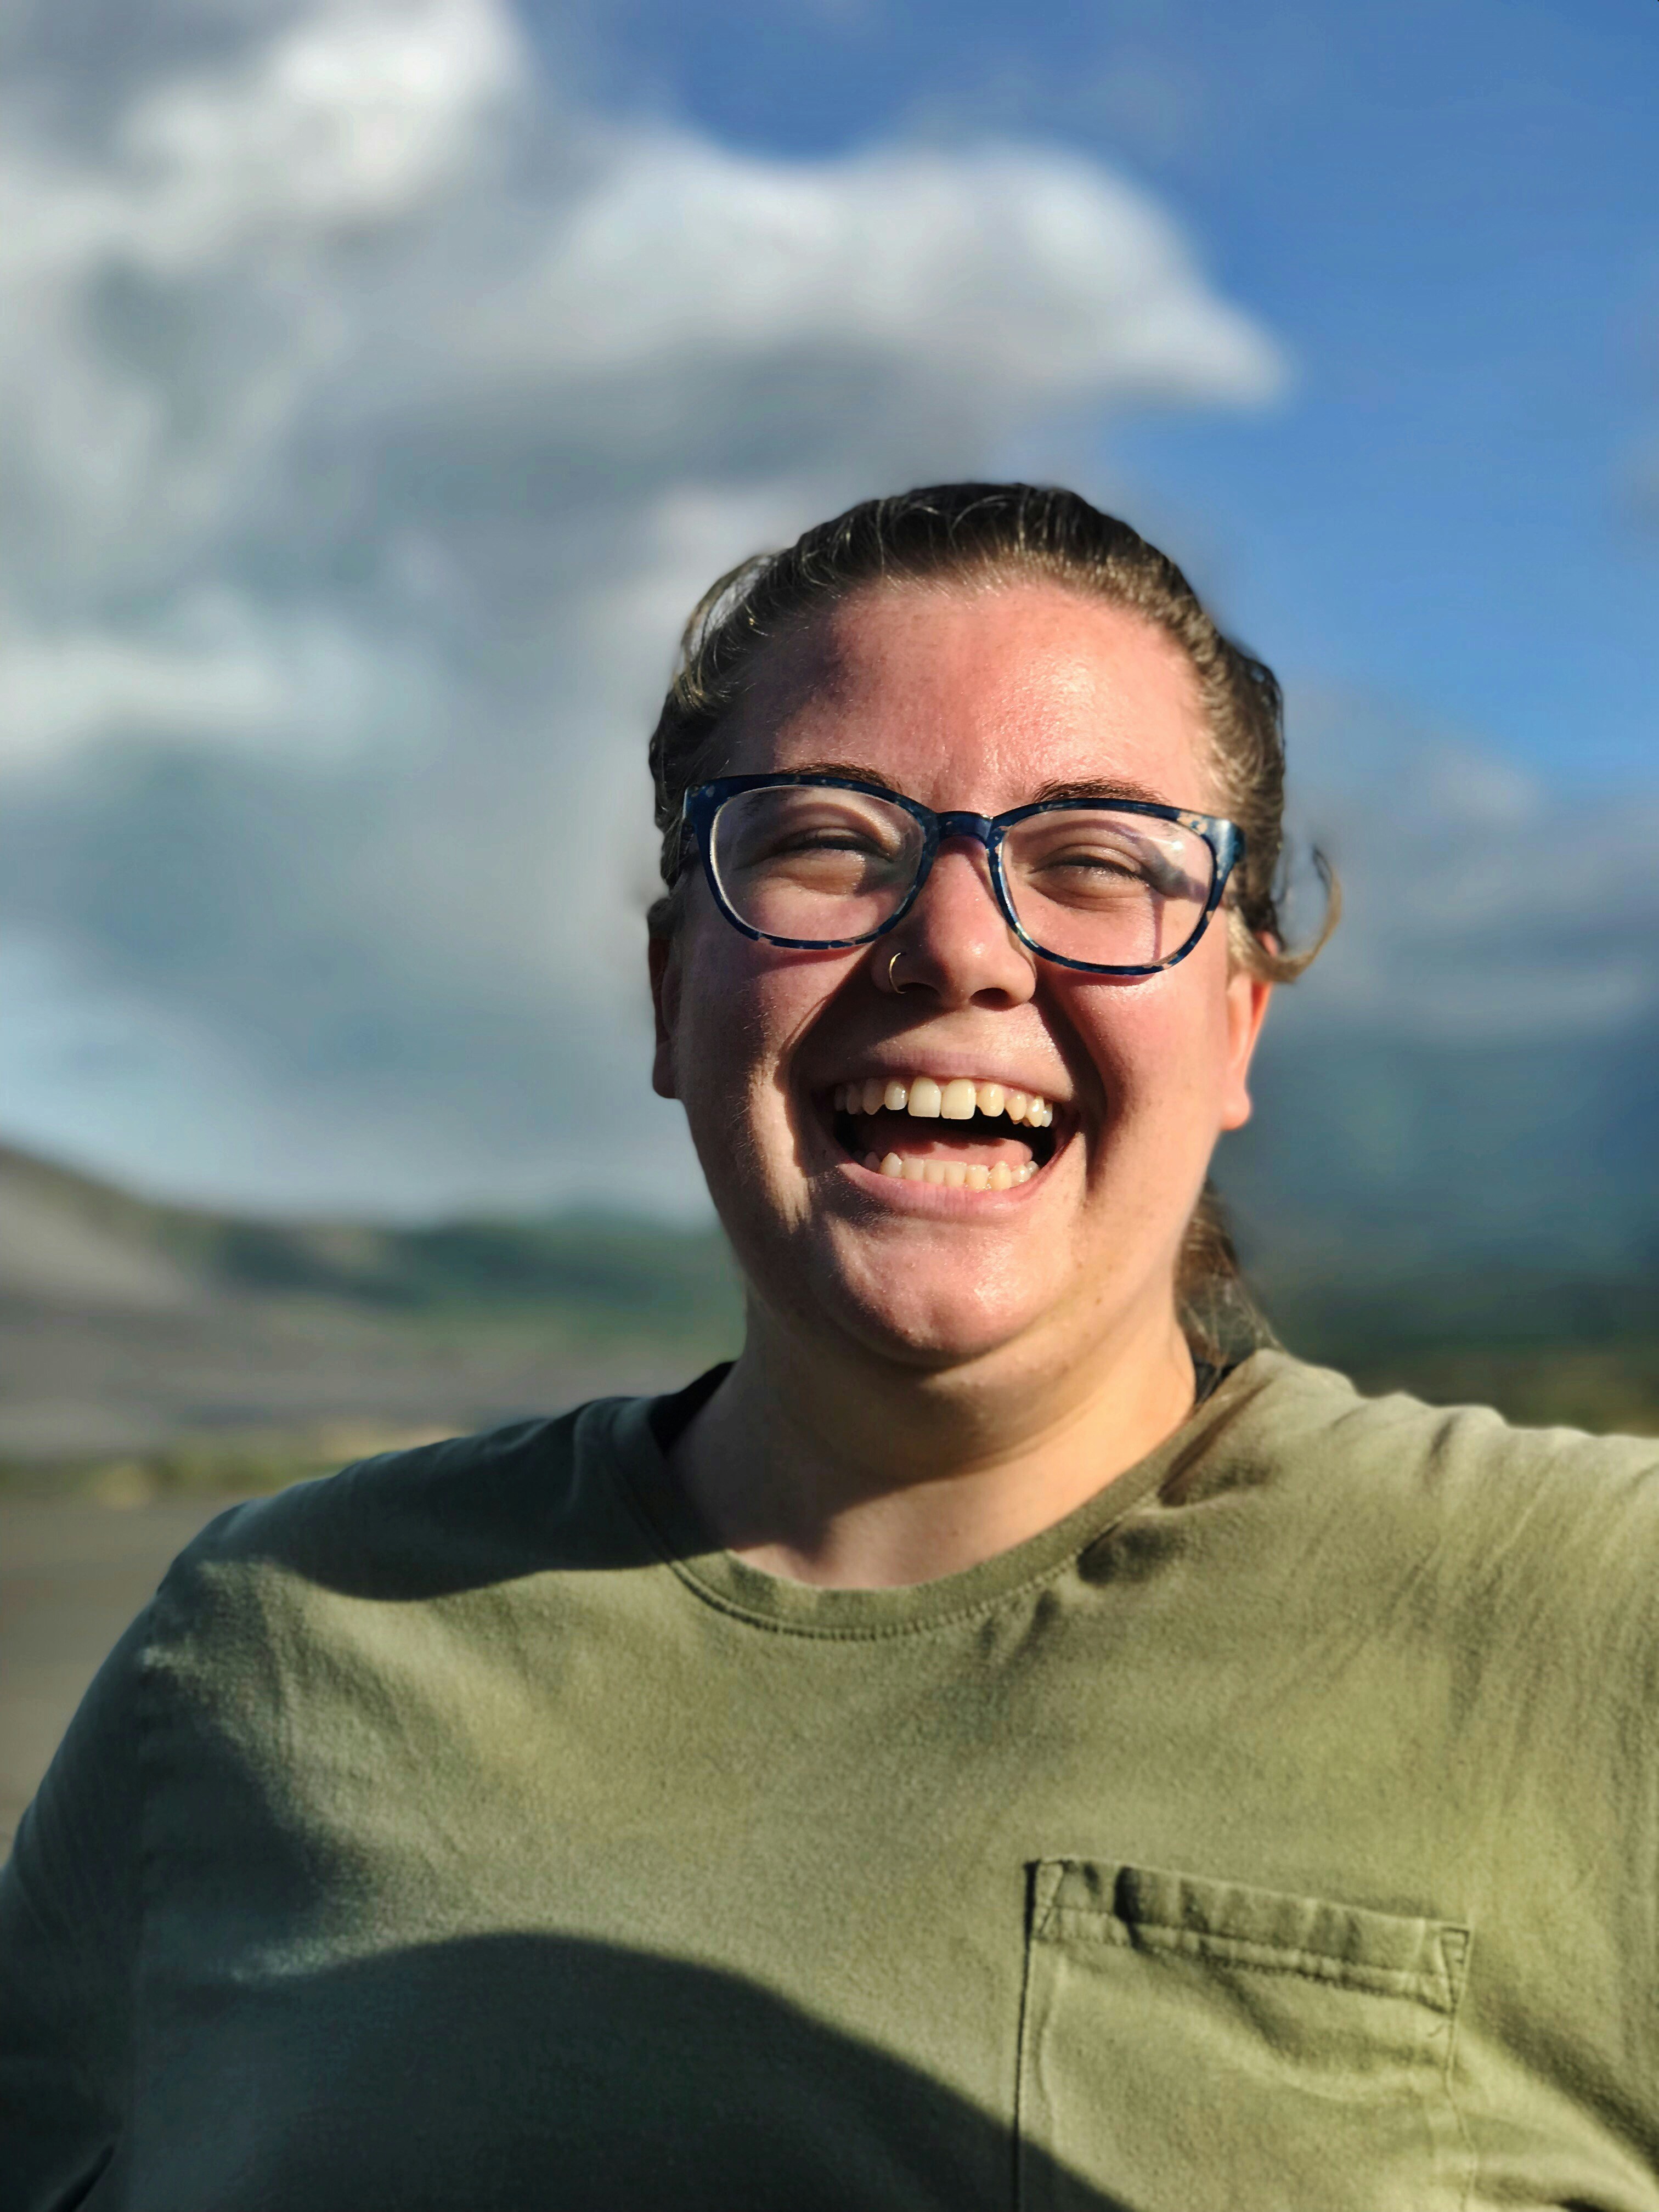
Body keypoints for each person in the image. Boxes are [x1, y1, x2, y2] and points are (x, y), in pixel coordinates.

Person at [2, 482, 1656, 2211]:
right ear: (670, 995)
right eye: (824, 844)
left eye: (1096, 863)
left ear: (1239, 1022)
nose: (956, 945)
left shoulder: (1594, 1619)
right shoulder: (274, 1645)